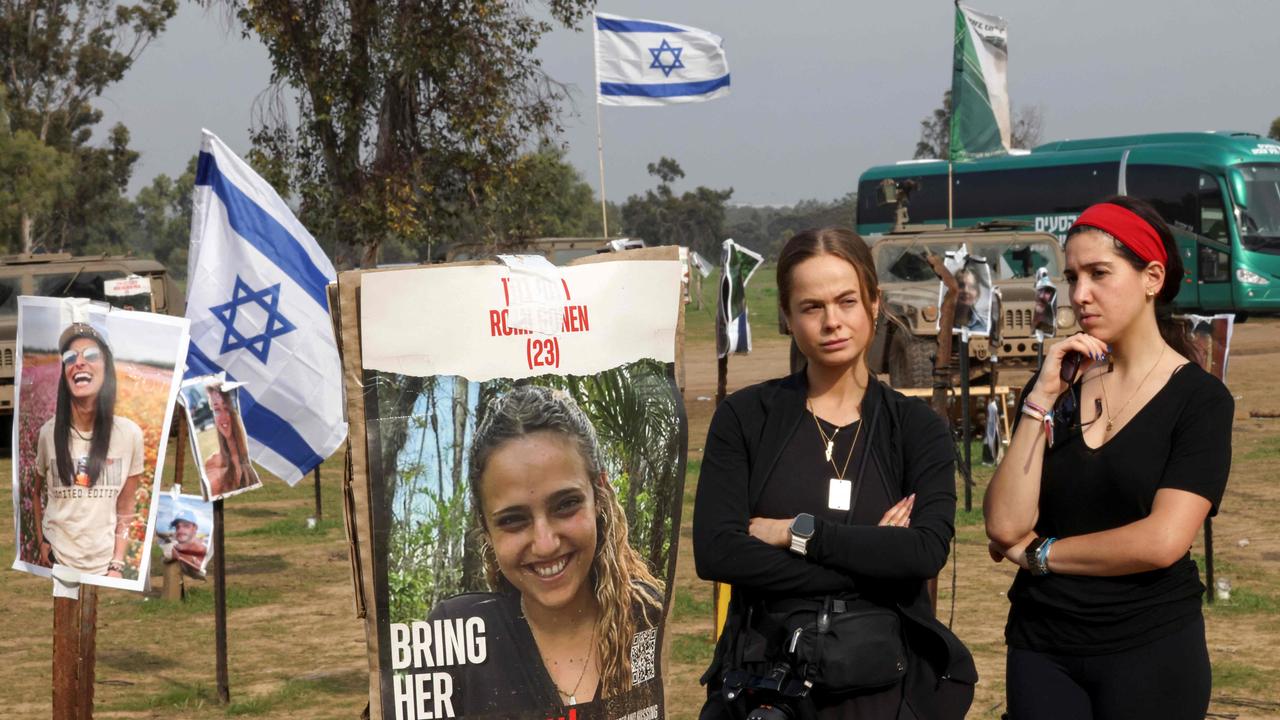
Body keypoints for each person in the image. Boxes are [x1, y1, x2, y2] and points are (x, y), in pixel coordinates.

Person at [694, 227, 976, 720]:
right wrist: (873, 555)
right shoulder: (745, 418)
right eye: (811, 307)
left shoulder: (917, 429)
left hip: (884, 691)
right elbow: (718, 552)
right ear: (786, 316)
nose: (832, 322)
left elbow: (925, 550)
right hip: (766, 686)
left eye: (846, 301)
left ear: (874, 302)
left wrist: (798, 533)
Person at [984, 196, 1234, 720]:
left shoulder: (1200, 401)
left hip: (1151, 645)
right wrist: (1041, 400)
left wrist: (1042, 555)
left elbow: (1163, 541)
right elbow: (1005, 525)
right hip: (1042, 644)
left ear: (1152, 278)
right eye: (1072, 277)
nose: (1080, 294)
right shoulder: (1058, 383)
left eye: (1099, 273)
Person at [427, 385, 666, 719]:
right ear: (486, 527)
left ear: (599, 495)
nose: (545, 543)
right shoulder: (454, 636)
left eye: (566, 505)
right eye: (513, 520)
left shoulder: (650, 617)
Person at [30, 322, 146, 578]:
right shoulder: (48, 434)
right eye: (70, 358)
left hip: (105, 567)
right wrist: (41, 542)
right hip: (57, 560)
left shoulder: (129, 435)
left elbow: (126, 509)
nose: (79, 362)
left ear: (107, 369)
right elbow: (36, 493)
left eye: (91, 355)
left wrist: (117, 563)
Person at [203, 383, 258, 497]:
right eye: (217, 410)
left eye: (226, 409)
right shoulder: (212, 464)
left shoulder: (252, 454)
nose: (223, 417)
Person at [158, 508, 209, 577]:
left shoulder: (205, 546)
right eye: (177, 527)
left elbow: (199, 570)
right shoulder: (173, 545)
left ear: (195, 528)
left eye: (186, 526)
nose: (180, 530)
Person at [953, 265, 990, 335]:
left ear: (977, 293)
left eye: (971, 287)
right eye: (961, 285)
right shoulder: (943, 321)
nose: (966, 291)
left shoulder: (982, 328)